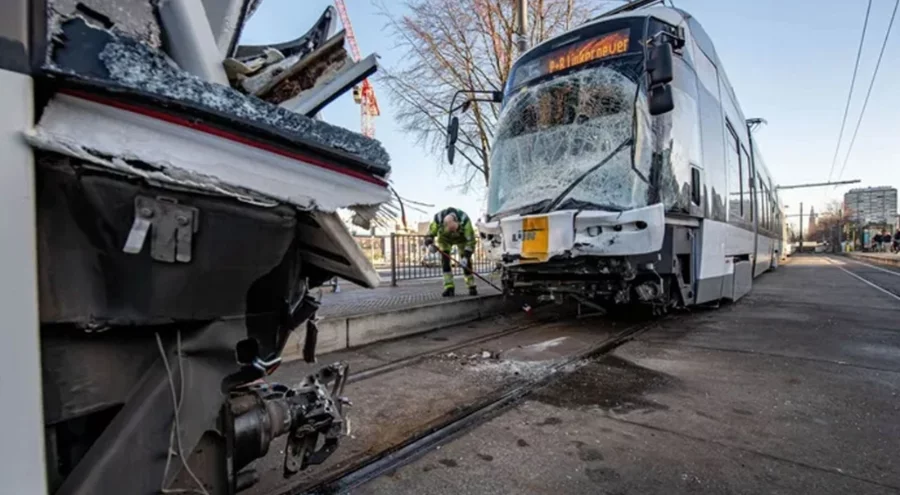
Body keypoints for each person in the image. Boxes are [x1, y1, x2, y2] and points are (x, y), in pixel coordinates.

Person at [424, 207, 478, 297]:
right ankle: (449, 287)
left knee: (467, 263)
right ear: (443, 225)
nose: (454, 232)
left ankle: (471, 286)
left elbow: (471, 241)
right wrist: (429, 244)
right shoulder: (438, 219)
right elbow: (430, 234)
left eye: (455, 229)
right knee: (445, 261)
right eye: (451, 230)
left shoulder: (465, 220)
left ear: (458, 222)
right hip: (445, 240)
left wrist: (466, 256)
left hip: (462, 239)